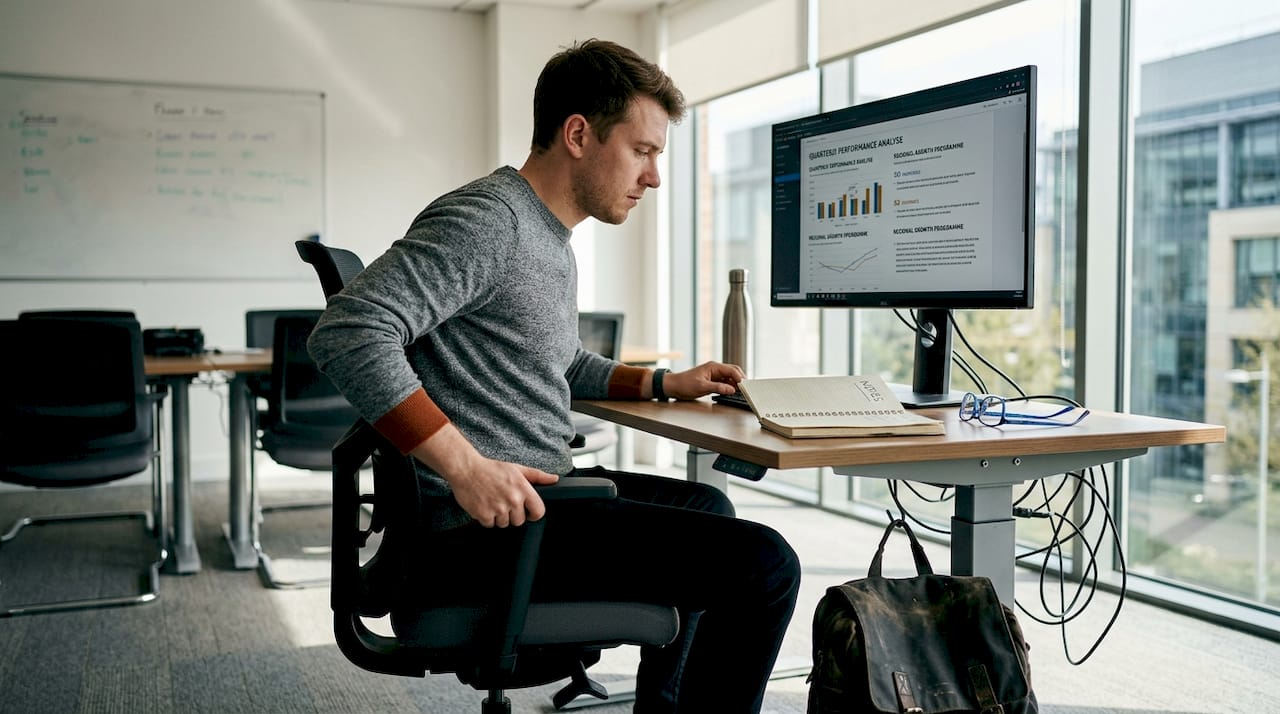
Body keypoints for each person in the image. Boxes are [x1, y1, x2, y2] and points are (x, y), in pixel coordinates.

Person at [308, 38, 800, 713]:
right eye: (643, 150)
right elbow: (349, 330)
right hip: (482, 532)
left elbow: (559, 361)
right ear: (578, 134)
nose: (654, 177)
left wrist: (666, 384)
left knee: (708, 505)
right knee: (765, 566)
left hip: (534, 497)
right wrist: (465, 467)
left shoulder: (548, 235)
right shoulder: (492, 221)